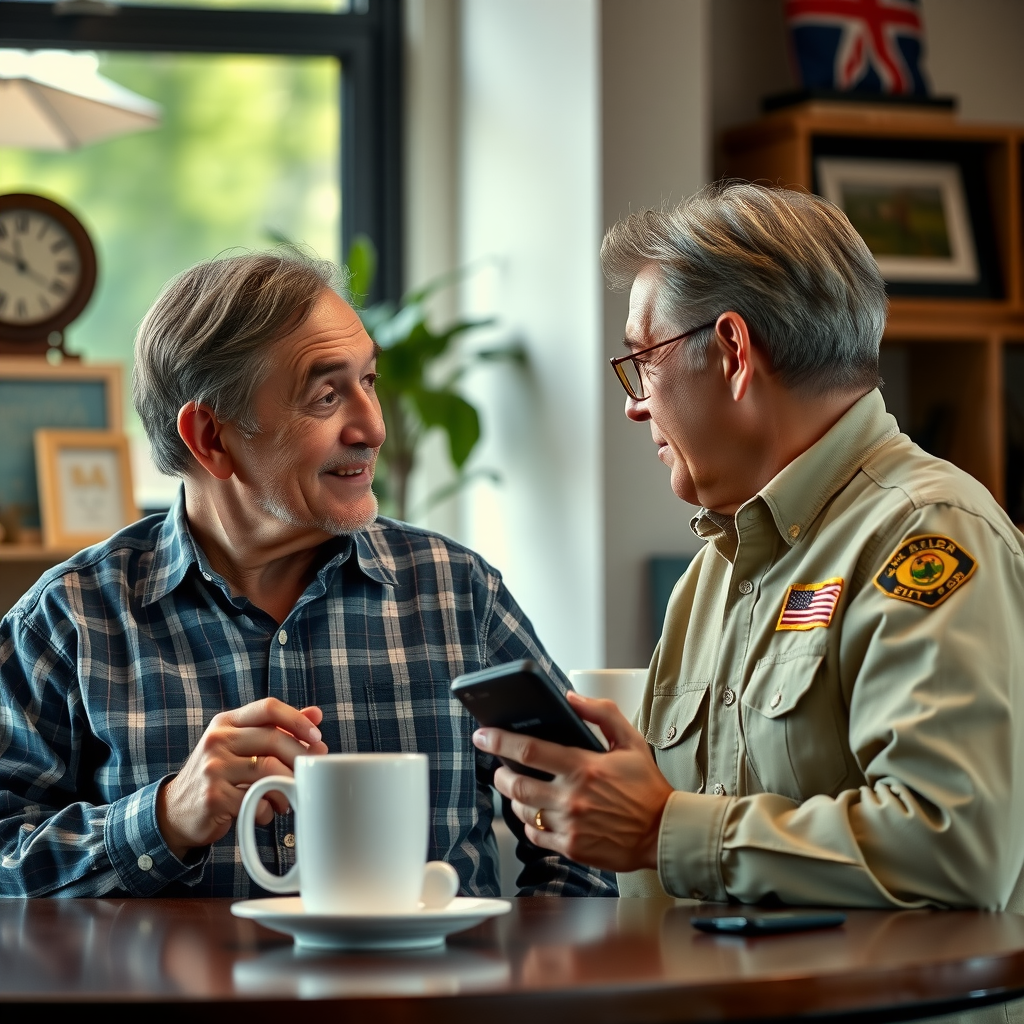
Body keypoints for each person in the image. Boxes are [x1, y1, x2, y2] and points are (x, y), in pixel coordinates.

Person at [475, 181, 1024, 914]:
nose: (636, 403)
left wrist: (663, 827)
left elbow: (955, 847)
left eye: (645, 358)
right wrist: (608, 814)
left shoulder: (931, 533)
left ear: (732, 351)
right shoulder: (709, 576)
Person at [0, 251, 614, 899]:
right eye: (326, 395)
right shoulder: (70, 618)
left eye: (369, 381)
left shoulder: (459, 592)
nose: (373, 427)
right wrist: (163, 818)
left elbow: (588, 813)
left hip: (430, 1000)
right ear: (210, 437)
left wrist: (541, 976)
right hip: (176, 1004)